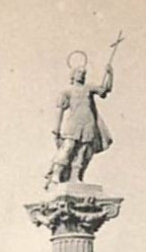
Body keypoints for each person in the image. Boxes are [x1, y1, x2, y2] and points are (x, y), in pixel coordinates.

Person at [47, 56, 114, 188]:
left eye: (83, 73)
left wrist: (110, 74)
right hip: (73, 123)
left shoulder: (88, 88)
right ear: (72, 75)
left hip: (88, 122)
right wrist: (57, 127)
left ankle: (76, 176)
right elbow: (60, 110)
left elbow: (105, 90)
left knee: (84, 150)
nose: (81, 75)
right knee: (68, 147)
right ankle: (56, 174)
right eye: (79, 72)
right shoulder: (67, 91)